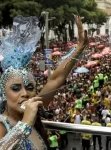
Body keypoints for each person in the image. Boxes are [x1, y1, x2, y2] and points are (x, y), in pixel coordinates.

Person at [0, 15, 88, 149]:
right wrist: (25, 124)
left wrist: (79, 48)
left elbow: (56, 80)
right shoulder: (2, 124)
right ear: (3, 93)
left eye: (30, 87)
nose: (25, 93)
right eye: (16, 88)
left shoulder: (32, 113)